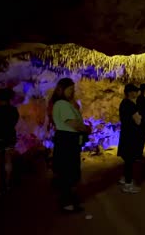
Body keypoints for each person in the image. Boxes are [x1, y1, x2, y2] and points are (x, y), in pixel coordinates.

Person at [50, 78, 91, 213]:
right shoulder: (62, 104)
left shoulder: (64, 103)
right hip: (67, 141)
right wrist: (85, 129)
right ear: (62, 89)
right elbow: (72, 123)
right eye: (70, 90)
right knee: (68, 172)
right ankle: (67, 203)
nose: (72, 92)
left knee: (69, 171)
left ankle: (69, 200)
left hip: (67, 141)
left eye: (73, 90)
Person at [117, 84, 142, 193]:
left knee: (127, 158)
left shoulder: (123, 103)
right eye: (135, 91)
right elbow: (138, 121)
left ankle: (124, 178)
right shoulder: (131, 105)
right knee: (130, 160)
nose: (137, 93)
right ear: (130, 92)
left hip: (125, 133)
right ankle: (128, 184)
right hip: (131, 135)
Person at [136, 83, 145, 159]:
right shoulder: (142, 99)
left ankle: (139, 153)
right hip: (142, 121)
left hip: (142, 120)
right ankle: (138, 154)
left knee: (141, 138)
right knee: (141, 139)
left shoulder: (140, 98)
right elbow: (143, 110)